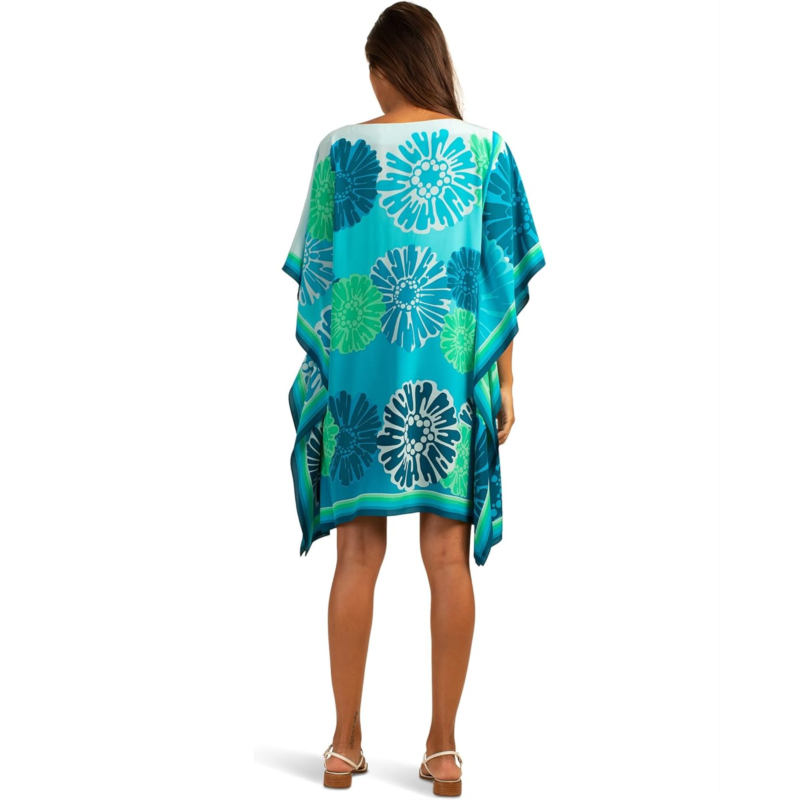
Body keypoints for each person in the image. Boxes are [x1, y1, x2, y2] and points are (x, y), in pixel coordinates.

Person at [281, 2, 546, 794]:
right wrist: (505, 379)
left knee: (357, 557)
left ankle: (343, 745)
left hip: (361, 388)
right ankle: (442, 749)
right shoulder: (485, 150)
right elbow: (497, 279)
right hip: (446, 383)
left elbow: (317, 281)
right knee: (448, 559)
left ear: (381, 68)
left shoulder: (338, 151)